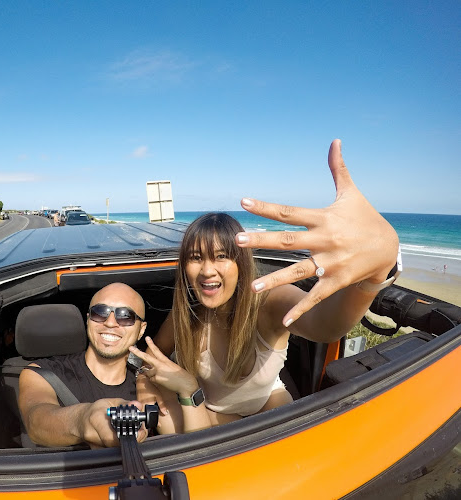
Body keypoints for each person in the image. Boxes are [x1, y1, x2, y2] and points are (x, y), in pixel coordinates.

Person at [130, 139, 401, 434]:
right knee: (168, 426)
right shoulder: (187, 314)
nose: (208, 270)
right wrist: (145, 385)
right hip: (203, 414)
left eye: (222, 256)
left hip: (267, 411)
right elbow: (151, 356)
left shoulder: (268, 301)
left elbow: (327, 326)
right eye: (196, 258)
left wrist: (376, 273)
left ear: (241, 264)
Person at [18, 282, 149, 448]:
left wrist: (187, 393)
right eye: (100, 312)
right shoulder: (41, 373)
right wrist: (84, 419)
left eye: (125, 316)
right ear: (88, 319)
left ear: (141, 329)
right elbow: (36, 422)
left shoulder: (148, 385)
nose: (110, 323)